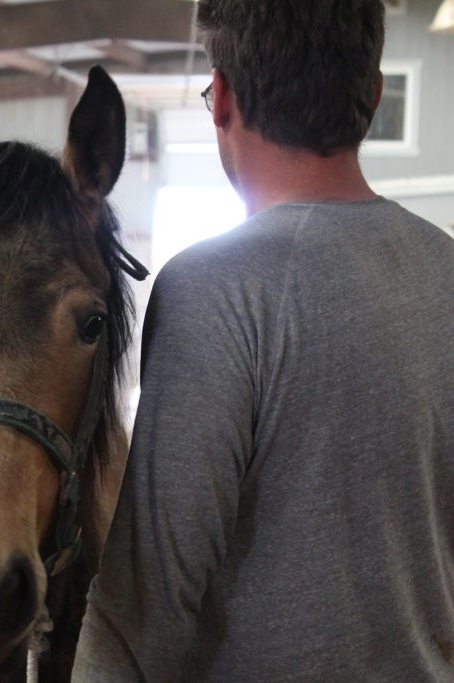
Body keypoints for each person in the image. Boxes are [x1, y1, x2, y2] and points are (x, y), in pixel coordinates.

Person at [73, 1, 454, 680]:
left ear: (220, 99)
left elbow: (145, 616)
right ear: (371, 95)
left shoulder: (215, 290)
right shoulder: (445, 273)